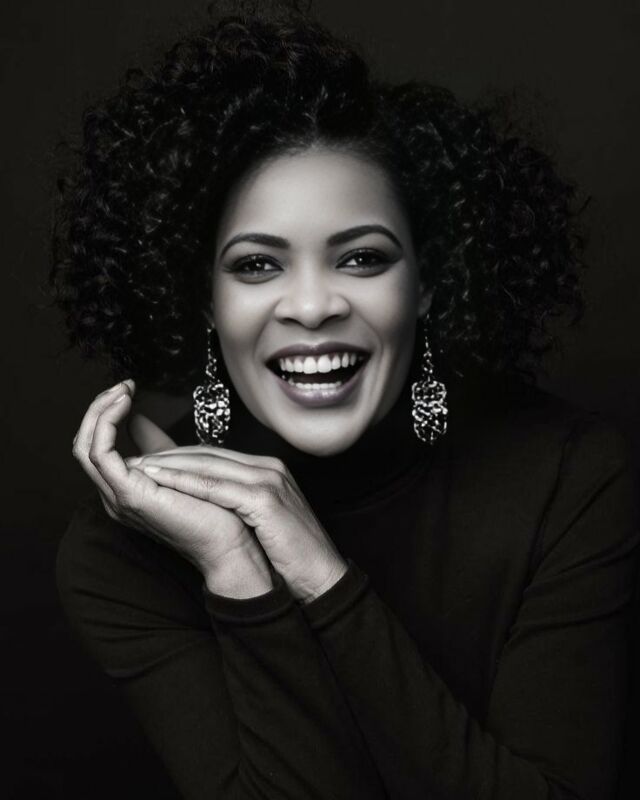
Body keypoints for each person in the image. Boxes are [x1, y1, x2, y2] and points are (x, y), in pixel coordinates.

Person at [50, 2, 639, 798]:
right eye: (256, 265)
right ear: (204, 303)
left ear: (426, 284)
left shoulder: (572, 481)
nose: (312, 306)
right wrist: (236, 566)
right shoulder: (122, 551)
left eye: (361, 258)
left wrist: (319, 572)